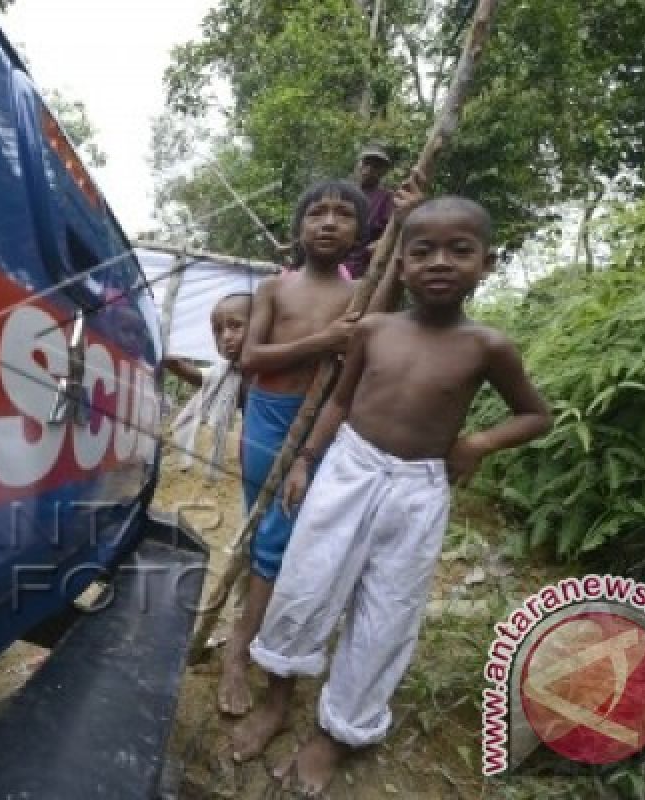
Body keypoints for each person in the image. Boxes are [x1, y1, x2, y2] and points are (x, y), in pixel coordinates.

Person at [232, 196, 552, 796]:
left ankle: (336, 733)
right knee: (307, 581)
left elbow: (537, 416)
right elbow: (341, 402)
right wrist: (305, 460)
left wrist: (478, 442)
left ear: (487, 263)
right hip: (348, 470)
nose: (440, 262)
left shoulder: (488, 347)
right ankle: (277, 700)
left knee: (387, 611)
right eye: (422, 249)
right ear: (399, 263)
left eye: (460, 250)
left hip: (419, 488)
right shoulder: (375, 328)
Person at [214, 179, 369, 719]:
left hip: (319, 427)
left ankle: (247, 643)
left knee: (281, 537)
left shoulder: (362, 297)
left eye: (343, 214)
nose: (328, 222)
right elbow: (251, 356)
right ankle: (241, 643)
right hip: (266, 418)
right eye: (317, 213)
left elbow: (356, 375)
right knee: (261, 526)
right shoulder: (274, 290)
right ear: (299, 228)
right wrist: (322, 342)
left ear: (360, 231)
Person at [164, 292, 252, 482]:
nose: (226, 336)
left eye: (235, 326)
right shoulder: (228, 371)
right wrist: (173, 363)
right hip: (250, 450)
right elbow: (203, 378)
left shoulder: (270, 372)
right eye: (218, 330)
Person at [342, 144, 396, 279]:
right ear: (358, 165)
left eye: (376, 165)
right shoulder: (344, 192)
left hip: (365, 268)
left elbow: (394, 230)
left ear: (383, 171)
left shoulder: (387, 197)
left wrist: (379, 244)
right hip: (336, 262)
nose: (370, 168)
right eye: (366, 163)